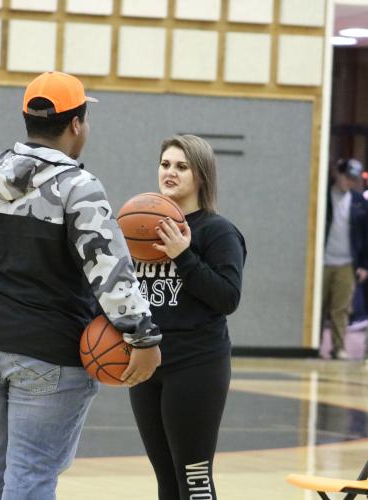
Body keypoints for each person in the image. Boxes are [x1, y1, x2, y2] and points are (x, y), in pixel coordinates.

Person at [0, 71, 161, 500]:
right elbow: (111, 273)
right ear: (76, 124)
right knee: (30, 474)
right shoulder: (77, 188)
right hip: (47, 349)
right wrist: (142, 335)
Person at [129, 135, 246, 500]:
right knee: (166, 479)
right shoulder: (139, 228)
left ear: (201, 176)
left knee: (193, 480)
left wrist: (183, 255)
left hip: (196, 365)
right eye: (165, 164)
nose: (170, 172)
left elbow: (227, 297)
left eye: (181, 166)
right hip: (148, 362)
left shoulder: (218, 231)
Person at [323, 158, 368, 360]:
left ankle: (338, 347)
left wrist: (364, 265)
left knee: (341, 309)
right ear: (337, 174)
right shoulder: (323, 197)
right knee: (319, 306)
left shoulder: (359, 202)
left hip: (346, 262)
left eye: (353, 179)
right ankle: (313, 346)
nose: (350, 182)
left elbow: (366, 236)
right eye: (347, 178)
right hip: (322, 262)